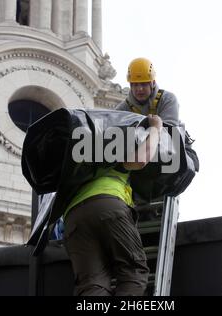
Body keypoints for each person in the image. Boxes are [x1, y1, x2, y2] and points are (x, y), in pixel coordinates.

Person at [62, 114, 163, 296]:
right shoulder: (113, 153)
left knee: (91, 282)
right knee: (133, 271)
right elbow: (142, 159)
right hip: (108, 206)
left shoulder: (80, 162)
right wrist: (156, 128)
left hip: (73, 218)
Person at [116, 58, 180, 126]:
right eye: (135, 84)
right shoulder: (123, 109)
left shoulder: (167, 100)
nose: (140, 89)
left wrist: (156, 127)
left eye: (144, 84)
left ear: (153, 83)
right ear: (130, 85)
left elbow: (172, 132)